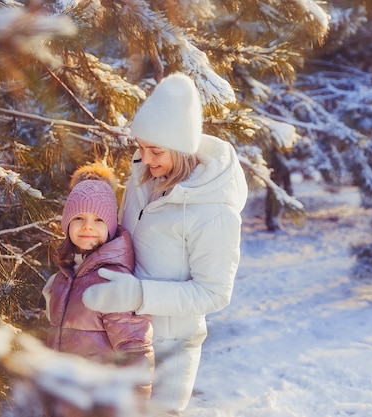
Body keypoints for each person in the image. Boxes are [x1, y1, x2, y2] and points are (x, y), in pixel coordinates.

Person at [83, 72, 248, 413]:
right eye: (141, 147)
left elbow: (215, 293)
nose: (146, 158)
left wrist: (140, 295)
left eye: (156, 150)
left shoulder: (214, 211)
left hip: (169, 348)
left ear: (182, 148)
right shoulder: (143, 179)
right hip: (121, 334)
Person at [43, 164, 154, 416]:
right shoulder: (64, 275)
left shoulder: (111, 279)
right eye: (79, 218)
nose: (87, 226)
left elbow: (134, 348)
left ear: (111, 225)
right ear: (66, 224)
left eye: (98, 219)